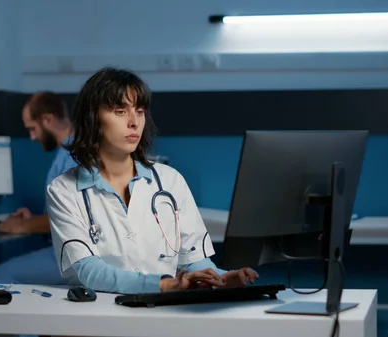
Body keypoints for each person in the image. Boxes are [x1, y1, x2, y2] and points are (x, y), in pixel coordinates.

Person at [46, 67, 259, 294]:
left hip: (163, 314)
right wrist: (165, 284)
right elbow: (88, 271)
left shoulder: (170, 181)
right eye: (120, 111)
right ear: (91, 118)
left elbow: (194, 260)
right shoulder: (64, 190)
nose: (134, 122)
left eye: (139, 111)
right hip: (101, 316)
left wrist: (221, 279)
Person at [0, 91, 78, 285]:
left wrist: (23, 226)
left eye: (32, 128)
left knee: (0, 276)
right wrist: (33, 220)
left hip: (73, 256)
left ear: (47, 119)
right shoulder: (67, 151)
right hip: (66, 251)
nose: (32, 136)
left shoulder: (75, 154)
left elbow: (68, 217)